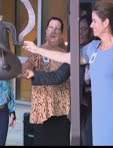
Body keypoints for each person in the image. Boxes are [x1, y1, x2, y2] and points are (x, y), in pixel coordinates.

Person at [23, 1, 113, 146]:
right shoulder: (93, 48)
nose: (91, 26)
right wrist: (37, 50)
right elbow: (67, 58)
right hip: (97, 117)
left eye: (94, 21)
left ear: (106, 23)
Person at [18, 17, 71, 146]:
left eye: (57, 29)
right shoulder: (37, 52)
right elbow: (23, 72)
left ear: (61, 34)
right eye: (50, 28)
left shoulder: (65, 55)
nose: (53, 31)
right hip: (42, 112)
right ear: (46, 31)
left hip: (61, 111)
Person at [79, 14, 94, 146]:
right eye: (78, 29)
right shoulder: (76, 51)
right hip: (81, 105)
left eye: (83, 29)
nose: (80, 33)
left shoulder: (96, 49)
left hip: (95, 105)